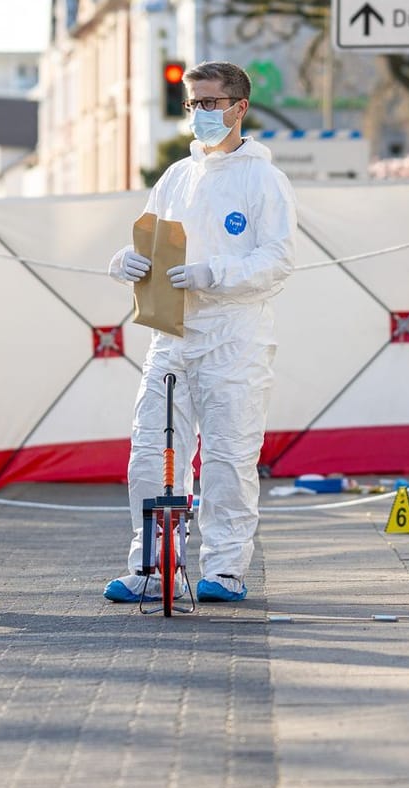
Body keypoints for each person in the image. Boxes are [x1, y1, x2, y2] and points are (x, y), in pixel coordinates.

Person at [103, 61, 297, 604]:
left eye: (210, 103)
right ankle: (153, 564)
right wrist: (127, 263)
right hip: (171, 336)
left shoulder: (263, 179)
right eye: (192, 105)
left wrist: (219, 275)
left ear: (239, 108)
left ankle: (225, 569)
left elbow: (278, 260)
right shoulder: (177, 177)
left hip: (235, 339)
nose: (200, 115)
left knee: (229, 457)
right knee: (150, 453)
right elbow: (147, 239)